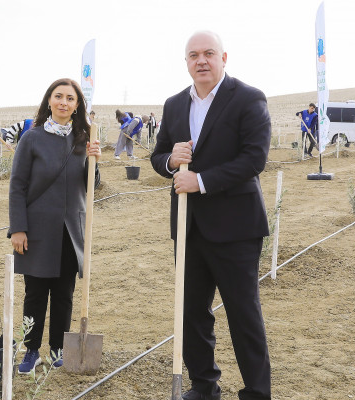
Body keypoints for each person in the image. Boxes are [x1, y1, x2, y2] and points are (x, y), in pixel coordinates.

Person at [149, 31, 272, 400]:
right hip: (188, 228)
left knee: (243, 314)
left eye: (208, 53)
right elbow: (158, 156)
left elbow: (254, 159)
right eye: (193, 55)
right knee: (191, 313)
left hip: (236, 229)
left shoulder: (248, 98)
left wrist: (200, 181)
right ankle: (204, 387)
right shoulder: (174, 105)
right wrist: (170, 161)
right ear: (186, 62)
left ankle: (256, 392)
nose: (201, 60)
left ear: (223, 58)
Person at [9, 78, 101, 374]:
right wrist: (18, 228)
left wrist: (94, 161)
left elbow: (91, 185)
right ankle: (31, 350)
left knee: (64, 293)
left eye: (70, 98)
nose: (64, 102)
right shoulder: (32, 138)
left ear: (77, 105)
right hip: (36, 229)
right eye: (58, 96)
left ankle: (59, 349)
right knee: (35, 293)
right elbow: (17, 186)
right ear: (49, 101)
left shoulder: (83, 139)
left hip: (70, 230)